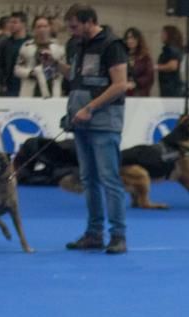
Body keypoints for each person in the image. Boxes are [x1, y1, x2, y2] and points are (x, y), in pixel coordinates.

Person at [59, 4, 129, 254]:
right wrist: (58, 66)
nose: (71, 30)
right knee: (89, 180)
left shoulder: (112, 44)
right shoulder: (76, 44)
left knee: (110, 180)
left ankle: (118, 235)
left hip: (104, 122)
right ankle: (94, 233)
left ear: (89, 22)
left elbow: (120, 85)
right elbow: (77, 78)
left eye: (75, 25)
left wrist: (90, 108)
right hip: (80, 121)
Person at [15, 16, 66, 98]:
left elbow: (64, 70)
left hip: (53, 91)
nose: (42, 30)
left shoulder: (59, 47)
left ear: (50, 28)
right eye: (39, 27)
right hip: (30, 91)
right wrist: (31, 73)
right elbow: (17, 69)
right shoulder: (26, 46)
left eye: (45, 26)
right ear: (34, 30)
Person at [0, 11, 30, 95]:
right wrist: (1, 83)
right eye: (10, 22)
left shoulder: (30, 42)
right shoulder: (5, 43)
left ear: (23, 24)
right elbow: (1, 65)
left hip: (26, 82)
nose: (11, 25)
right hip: (10, 85)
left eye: (15, 22)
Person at [123, 27, 154, 96]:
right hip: (124, 93)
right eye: (128, 38)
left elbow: (149, 77)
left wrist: (136, 83)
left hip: (139, 93)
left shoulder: (145, 57)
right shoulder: (122, 56)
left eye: (133, 38)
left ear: (138, 40)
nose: (130, 41)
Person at [155, 25, 184, 97]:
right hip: (169, 87)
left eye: (163, 33)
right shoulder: (174, 48)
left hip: (171, 87)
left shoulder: (171, 49)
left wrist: (156, 67)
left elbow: (173, 66)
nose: (161, 35)